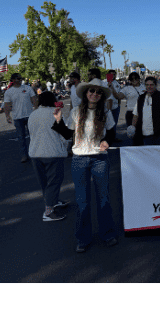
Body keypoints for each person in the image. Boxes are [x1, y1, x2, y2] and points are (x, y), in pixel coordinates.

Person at [51, 79, 118, 253]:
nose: (94, 94)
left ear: (101, 95)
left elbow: (111, 133)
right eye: (92, 91)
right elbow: (68, 135)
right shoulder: (75, 112)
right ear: (86, 93)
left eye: (98, 92)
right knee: (83, 201)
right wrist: (58, 122)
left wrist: (106, 142)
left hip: (99, 159)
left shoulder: (105, 112)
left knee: (103, 198)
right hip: (79, 159)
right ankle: (83, 238)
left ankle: (107, 233)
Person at [28, 91, 69, 221]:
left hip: (35, 153)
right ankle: (48, 211)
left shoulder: (33, 114)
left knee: (44, 182)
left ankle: (53, 200)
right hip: (52, 152)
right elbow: (64, 135)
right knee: (54, 181)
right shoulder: (55, 113)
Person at [3, 74, 38, 162]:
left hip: (29, 116)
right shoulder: (9, 92)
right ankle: (24, 155)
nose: (20, 80)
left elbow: (34, 99)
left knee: (33, 136)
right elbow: (6, 105)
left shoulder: (28, 88)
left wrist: (37, 110)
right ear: (13, 80)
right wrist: (7, 116)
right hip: (17, 117)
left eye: (21, 78)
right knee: (21, 137)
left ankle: (34, 153)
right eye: (18, 79)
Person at [131, 76, 160, 145]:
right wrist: (132, 127)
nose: (149, 87)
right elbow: (135, 115)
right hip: (145, 136)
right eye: (147, 85)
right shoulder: (141, 98)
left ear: (155, 85)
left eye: (151, 85)